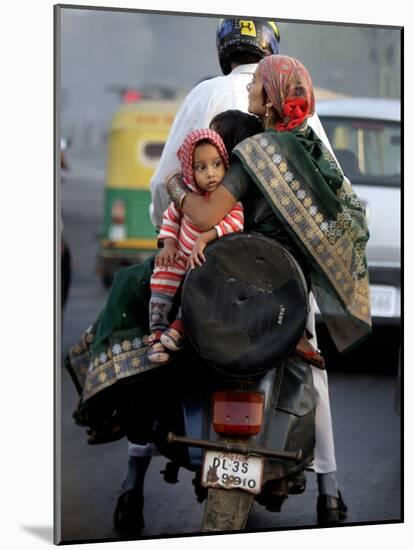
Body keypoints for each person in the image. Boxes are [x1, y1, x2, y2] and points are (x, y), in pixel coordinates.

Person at [167, 54, 371, 525]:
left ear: (274, 97)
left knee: (169, 326)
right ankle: (329, 487)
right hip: (293, 297)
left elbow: (201, 217)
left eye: (257, 84)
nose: (250, 90)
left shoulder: (258, 153)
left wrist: (179, 186)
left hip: (245, 284)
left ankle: (141, 454)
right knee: (316, 381)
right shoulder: (313, 150)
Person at [147, 128, 244, 363]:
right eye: (201, 168)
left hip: (207, 259)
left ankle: (180, 325)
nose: (211, 174)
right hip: (180, 254)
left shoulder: (228, 199)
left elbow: (236, 223)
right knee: (162, 275)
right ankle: (157, 332)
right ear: (189, 172)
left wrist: (206, 237)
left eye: (217, 165)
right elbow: (170, 218)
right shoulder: (187, 198)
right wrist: (168, 245)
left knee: (202, 286)